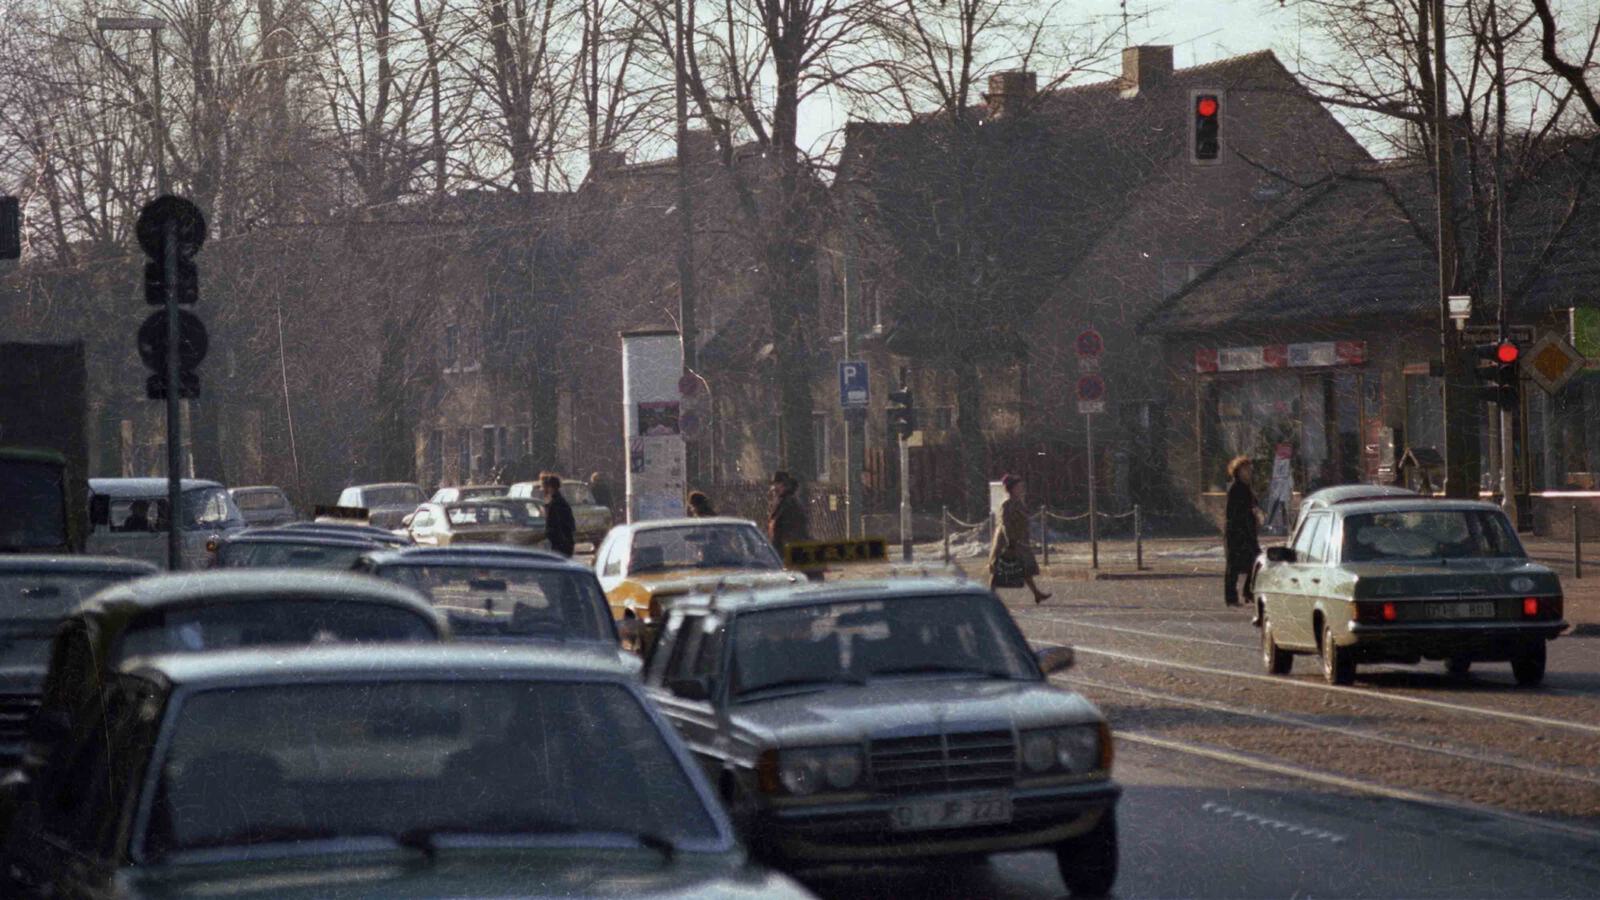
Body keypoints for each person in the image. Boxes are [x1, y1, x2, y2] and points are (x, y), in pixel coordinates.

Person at [988, 474, 1051, 605]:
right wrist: (1010, 541)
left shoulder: (1018, 502)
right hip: (1008, 541)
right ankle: (989, 595)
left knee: (1023, 567)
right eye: (1018, 487)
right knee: (1000, 568)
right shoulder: (1007, 504)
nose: (1021, 489)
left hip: (1019, 540)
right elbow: (1005, 523)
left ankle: (1036, 593)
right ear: (1011, 489)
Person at [1224, 455, 1261, 611]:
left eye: (1249, 469)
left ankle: (1248, 592)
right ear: (1238, 471)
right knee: (1233, 566)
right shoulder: (1236, 488)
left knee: (1256, 562)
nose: (1248, 472)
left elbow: (1252, 506)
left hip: (1247, 531)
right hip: (1237, 533)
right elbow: (1233, 512)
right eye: (1245, 469)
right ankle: (1232, 597)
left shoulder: (1246, 487)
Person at [767, 472, 813, 578]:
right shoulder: (785, 501)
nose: (773, 488)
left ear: (783, 485)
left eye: (776, 484)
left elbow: (781, 529)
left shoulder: (788, 503)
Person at [542, 473, 576, 558]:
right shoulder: (560, 502)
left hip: (560, 547)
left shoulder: (556, 504)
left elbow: (555, 527)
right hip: (564, 544)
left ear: (551, 487)